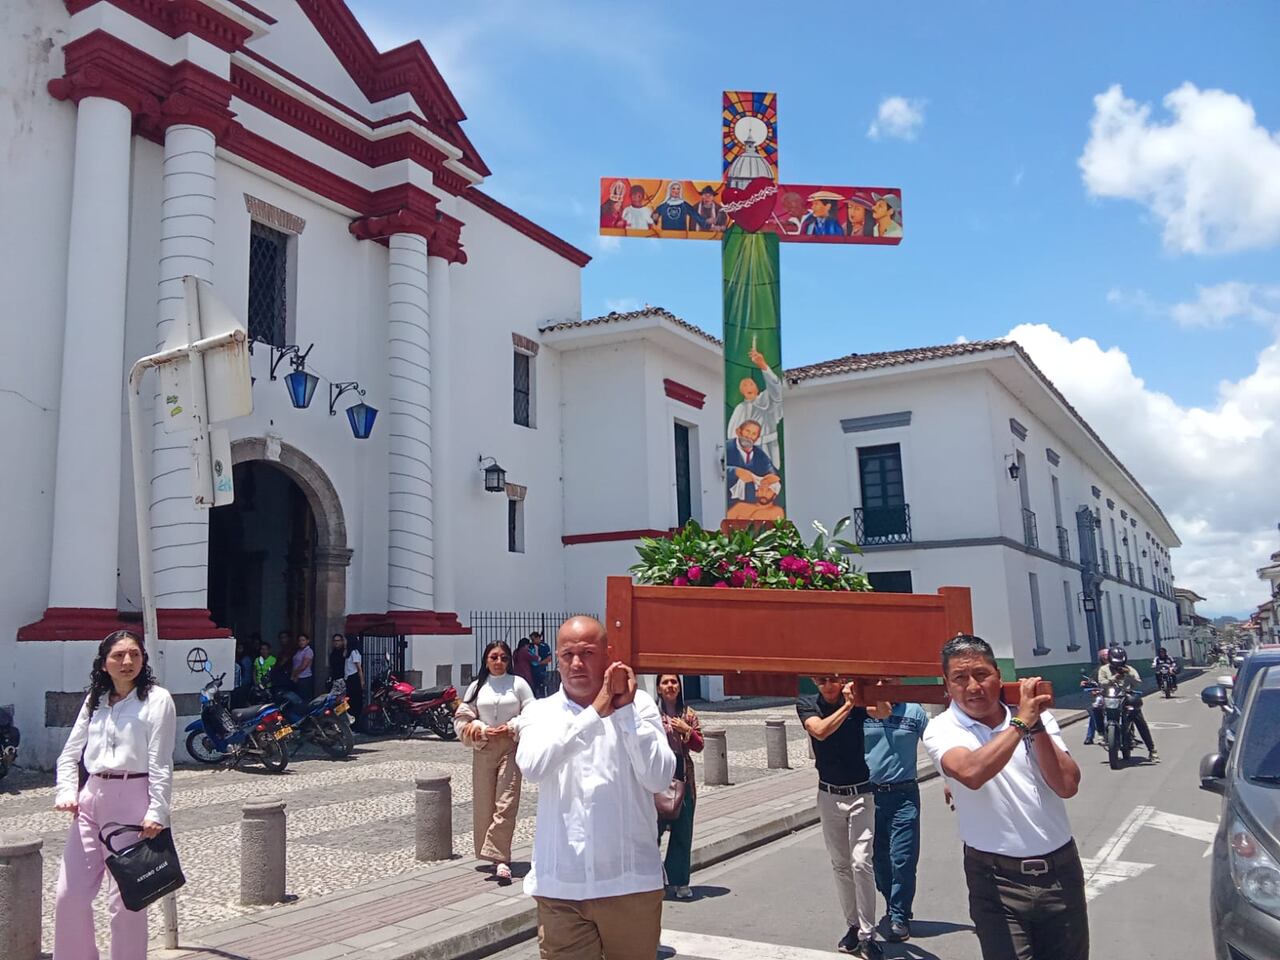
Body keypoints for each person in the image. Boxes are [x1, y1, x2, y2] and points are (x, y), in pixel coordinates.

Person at [515, 616, 675, 960]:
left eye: (587, 653)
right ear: (556, 660)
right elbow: (532, 765)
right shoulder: (539, 713)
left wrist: (625, 713)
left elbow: (658, 778)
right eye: (567, 654)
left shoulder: (640, 706)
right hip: (561, 887)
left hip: (628, 884)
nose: (576, 663)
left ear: (607, 654)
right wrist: (594, 714)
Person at [922, 634, 1086, 960]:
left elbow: (1067, 785)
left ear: (998, 675)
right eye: (960, 678)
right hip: (996, 883)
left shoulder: (1038, 718)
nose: (972, 687)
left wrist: (1035, 725)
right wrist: (1022, 722)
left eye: (982, 674)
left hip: (1061, 873)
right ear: (947, 684)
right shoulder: (941, 728)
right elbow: (971, 772)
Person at [53, 629, 177, 959]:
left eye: (135, 654)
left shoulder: (157, 700)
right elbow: (69, 753)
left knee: (126, 900)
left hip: (133, 798)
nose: (127, 662)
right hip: (92, 798)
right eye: (118, 656)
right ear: (104, 663)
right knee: (69, 894)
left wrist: (157, 810)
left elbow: (160, 760)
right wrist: (68, 790)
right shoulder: (96, 700)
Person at [798, 676, 890, 958]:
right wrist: (848, 706)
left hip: (861, 794)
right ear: (815, 681)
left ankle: (867, 933)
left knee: (861, 862)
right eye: (822, 680)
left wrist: (875, 688)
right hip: (828, 794)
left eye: (833, 680)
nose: (828, 685)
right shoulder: (806, 703)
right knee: (840, 865)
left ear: (842, 680)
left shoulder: (856, 700)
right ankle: (852, 926)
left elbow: (884, 711)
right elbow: (820, 731)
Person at [455, 641, 535, 883]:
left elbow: (532, 714)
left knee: (506, 802)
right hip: (483, 748)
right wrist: (479, 730)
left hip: (510, 747)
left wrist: (513, 726)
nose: (499, 662)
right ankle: (490, 852)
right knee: (485, 804)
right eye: (494, 657)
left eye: (503, 658)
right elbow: (461, 718)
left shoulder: (518, 684)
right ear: (486, 660)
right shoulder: (477, 687)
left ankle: (502, 859)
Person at [863, 696, 929, 942]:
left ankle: (899, 915)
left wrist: (951, 778)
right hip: (869, 794)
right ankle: (893, 903)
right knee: (878, 858)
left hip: (905, 795)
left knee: (903, 857)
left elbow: (936, 744)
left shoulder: (914, 711)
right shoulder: (863, 710)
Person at [656, 674, 704, 900]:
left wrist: (687, 730)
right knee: (651, 833)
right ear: (658, 687)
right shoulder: (652, 715)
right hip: (656, 778)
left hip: (683, 776)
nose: (670, 686)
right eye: (665, 682)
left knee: (682, 832)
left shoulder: (689, 714)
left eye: (674, 682)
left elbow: (699, 745)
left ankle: (679, 880)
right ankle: (652, 879)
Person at [726, 347, 784, 470]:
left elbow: (776, 389)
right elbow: (732, 434)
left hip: (768, 448)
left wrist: (763, 365)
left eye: (751, 383)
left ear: (757, 388)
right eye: (745, 385)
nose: (748, 386)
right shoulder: (740, 408)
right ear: (742, 391)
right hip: (747, 453)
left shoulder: (766, 399)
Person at [1096, 646, 1158, 761]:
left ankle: (1152, 749)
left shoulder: (1129, 669)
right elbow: (1102, 683)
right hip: (1109, 696)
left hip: (1125, 696)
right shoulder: (1104, 669)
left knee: (1138, 716)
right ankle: (1101, 733)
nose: (1118, 666)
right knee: (1096, 707)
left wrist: (1128, 675)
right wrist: (1115, 677)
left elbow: (1138, 683)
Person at [725, 420, 780, 509]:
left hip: (752, 507)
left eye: (754, 434)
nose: (749, 436)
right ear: (738, 431)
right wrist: (735, 471)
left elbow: (772, 472)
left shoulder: (760, 454)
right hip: (727, 506)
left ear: (757, 438)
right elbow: (714, 468)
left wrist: (770, 478)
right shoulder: (725, 447)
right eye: (747, 431)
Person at [330, 633, 365, 731]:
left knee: (354, 702)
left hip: (354, 679)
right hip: (348, 679)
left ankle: (356, 726)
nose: (343, 642)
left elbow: (359, 668)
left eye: (345, 640)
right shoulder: (347, 652)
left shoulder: (354, 652)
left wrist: (362, 681)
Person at [1080, 648, 1109, 746]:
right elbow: (1092, 681)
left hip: (1116, 695)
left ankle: (1129, 733)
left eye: (1108, 655)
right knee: (1095, 710)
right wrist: (1088, 685)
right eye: (1104, 656)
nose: (1106, 658)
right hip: (1102, 694)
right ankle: (1090, 736)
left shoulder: (1117, 668)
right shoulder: (1098, 670)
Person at [291, 632, 315, 701]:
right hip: (297, 678)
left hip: (304, 678)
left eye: (303, 640)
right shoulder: (299, 651)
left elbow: (303, 666)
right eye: (300, 640)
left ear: (307, 641)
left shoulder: (308, 651)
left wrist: (295, 675)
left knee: (304, 698)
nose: (301, 642)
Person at [530, 630, 552, 698]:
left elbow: (549, 658)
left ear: (538, 638)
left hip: (541, 670)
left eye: (534, 639)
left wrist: (539, 663)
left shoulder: (544, 646)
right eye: (532, 639)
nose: (533, 641)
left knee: (541, 688)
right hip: (532, 670)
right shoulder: (531, 646)